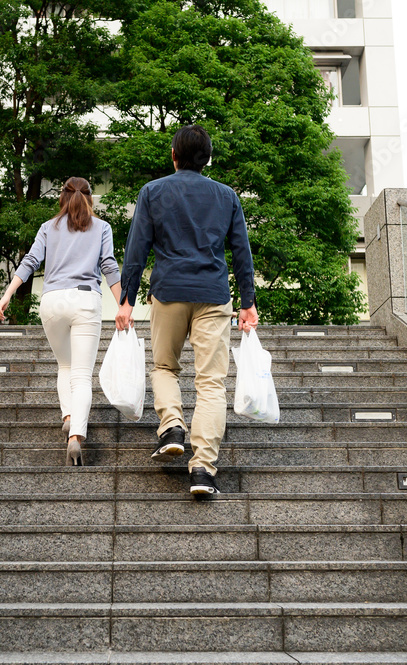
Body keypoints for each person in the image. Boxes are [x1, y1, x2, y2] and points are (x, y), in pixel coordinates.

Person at [115, 125, 258, 495]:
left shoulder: (153, 191)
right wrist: (248, 302)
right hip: (213, 295)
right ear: (207, 159)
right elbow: (242, 251)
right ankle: (202, 471)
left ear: (174, 156)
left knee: (164, 366)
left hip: (169, 292)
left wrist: (126, 300)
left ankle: (173, 426)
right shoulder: (226, 196)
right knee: (211, 383)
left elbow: (136, 250)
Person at [0, 177, 122, 466]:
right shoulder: (102, 228)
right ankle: (76, 435)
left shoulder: (47, 228)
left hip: (52, 301)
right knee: (81, 373)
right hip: (86, 301)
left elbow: (30, 262)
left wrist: (6, 296)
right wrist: (123, 304)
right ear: (90, 198)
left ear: (62, 198)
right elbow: (108, 266)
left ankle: (68, 415)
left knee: (65, 365)